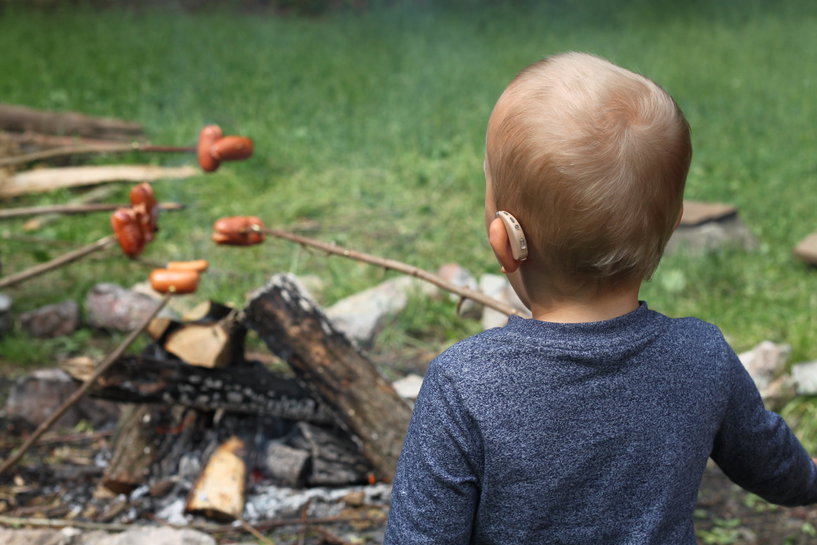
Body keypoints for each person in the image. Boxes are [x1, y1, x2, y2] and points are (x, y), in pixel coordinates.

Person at [383, 52, 817, 544]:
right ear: (671, 230)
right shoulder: (700, 357)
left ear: (505, 241)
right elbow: (774, 465)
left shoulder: (463, 385)